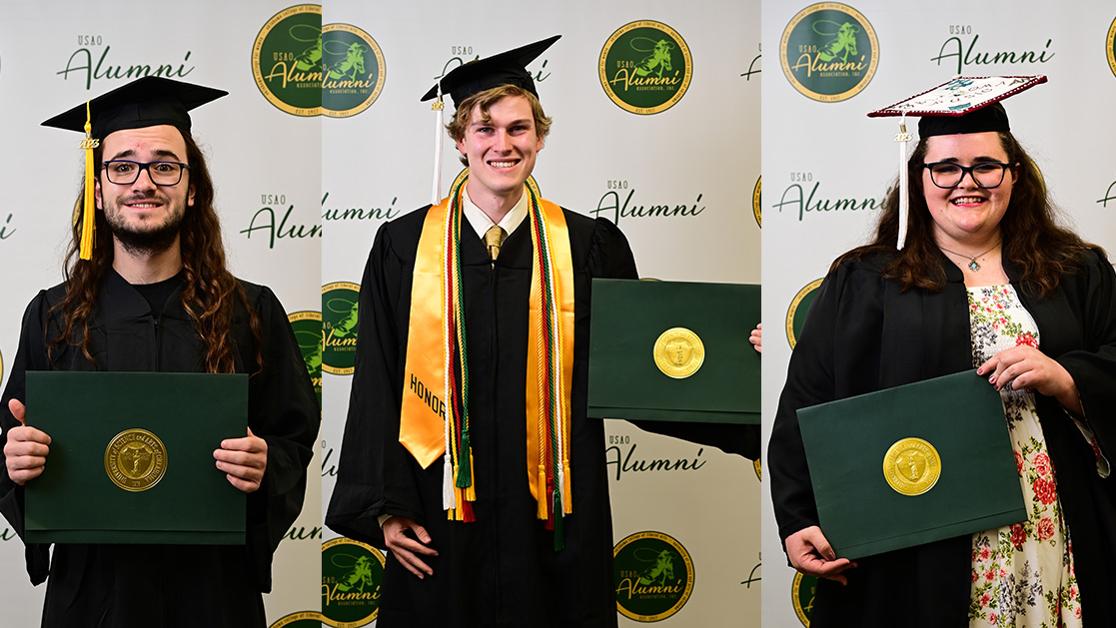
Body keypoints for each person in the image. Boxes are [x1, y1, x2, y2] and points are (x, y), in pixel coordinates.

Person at [325, 37, 755, 627]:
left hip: (556, 515)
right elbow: (378, 381)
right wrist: (384, 508)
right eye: (484, 129)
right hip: (440, 507)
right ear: (458, 141)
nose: (503, 144)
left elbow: (640, 372)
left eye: (518, 128)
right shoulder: (404, 247)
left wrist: (744, 364)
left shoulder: (588, 246)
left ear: (540, 136)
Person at [769, 77, 1116, 627]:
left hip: (1049, 522)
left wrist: (1066, 378)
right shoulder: (865, 281)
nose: (967, 182)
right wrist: (796, 517)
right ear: (920, 178)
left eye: (986, 166)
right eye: (946, 168)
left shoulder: (1076, 272)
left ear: (1015, 175)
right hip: (918, 531)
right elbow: (808, 402)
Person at [0, 76, 319, 627]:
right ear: (97, 189)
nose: (142, 182)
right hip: (95, 596)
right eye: (122, 165)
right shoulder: (52, 316)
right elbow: (9, 446)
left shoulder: (251, 312)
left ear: (192, 188)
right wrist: (17, 461)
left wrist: (267, 464)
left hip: (215, 597)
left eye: (165, 165)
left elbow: (292, 439)